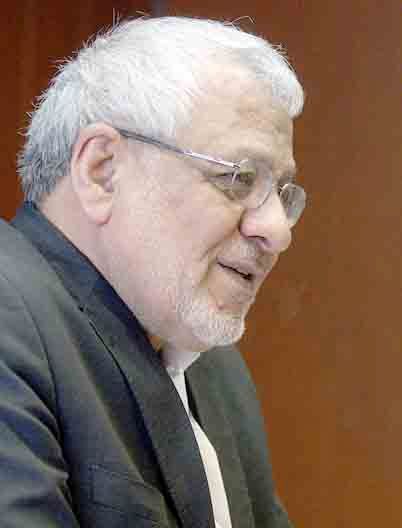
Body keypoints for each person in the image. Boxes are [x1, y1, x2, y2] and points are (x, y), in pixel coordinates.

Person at [0, 15, 305, 528]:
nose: (277, 230)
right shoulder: (10, 317)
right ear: (102, 172)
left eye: (281, 192)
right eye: (238, 178)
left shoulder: (216, 372)